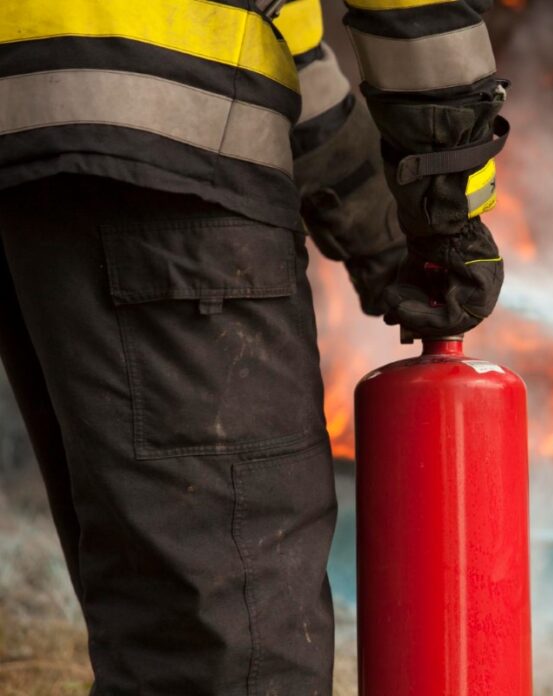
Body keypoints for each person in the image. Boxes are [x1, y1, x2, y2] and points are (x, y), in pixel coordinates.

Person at [0, 0, 507, 691]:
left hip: (37, 147)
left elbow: (272, 36)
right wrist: (451, 211)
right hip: (170, 177)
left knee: (160, 610)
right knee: (235, 643)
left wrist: (383, 229)